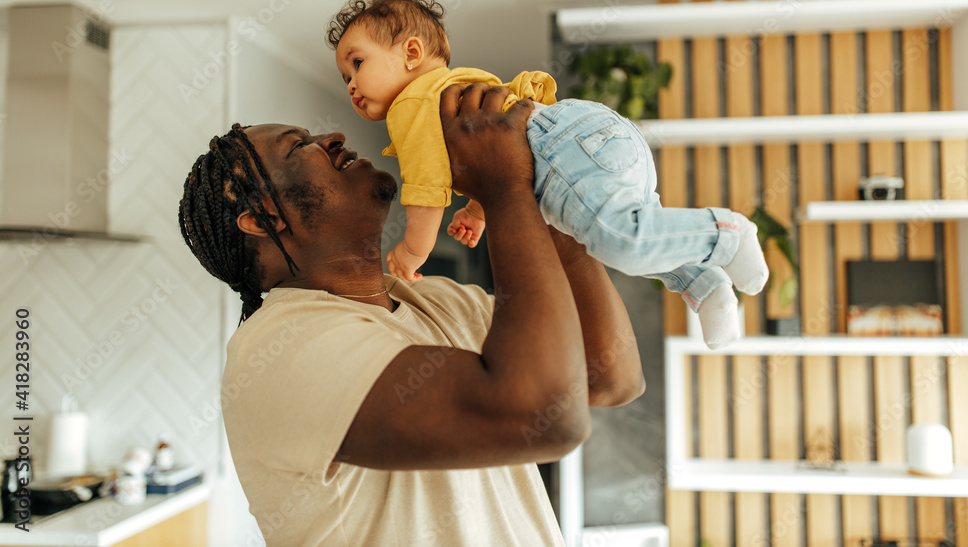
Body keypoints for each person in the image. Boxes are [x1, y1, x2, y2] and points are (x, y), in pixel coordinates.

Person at [177, 83, 646, 546]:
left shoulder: (441, 300)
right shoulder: (277, 350)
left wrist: (547, 192)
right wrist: (504, 186)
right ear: (262, 220)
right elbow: (547, 414)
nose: (332, 138)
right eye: (299, 146)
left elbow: (608, 375)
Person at [326, 0, 769, 349]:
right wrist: (478, 210)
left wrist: (411, 252)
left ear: (411, 51)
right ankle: (706, 287)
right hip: (577, 143)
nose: (351, 84)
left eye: (357, 63)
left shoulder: (414, 103)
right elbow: (493, 155)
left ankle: (725, 234)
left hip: (563, 147)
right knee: (627, 237)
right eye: (345, 76)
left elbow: (425, 189)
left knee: (620, 241)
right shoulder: (450, 96)